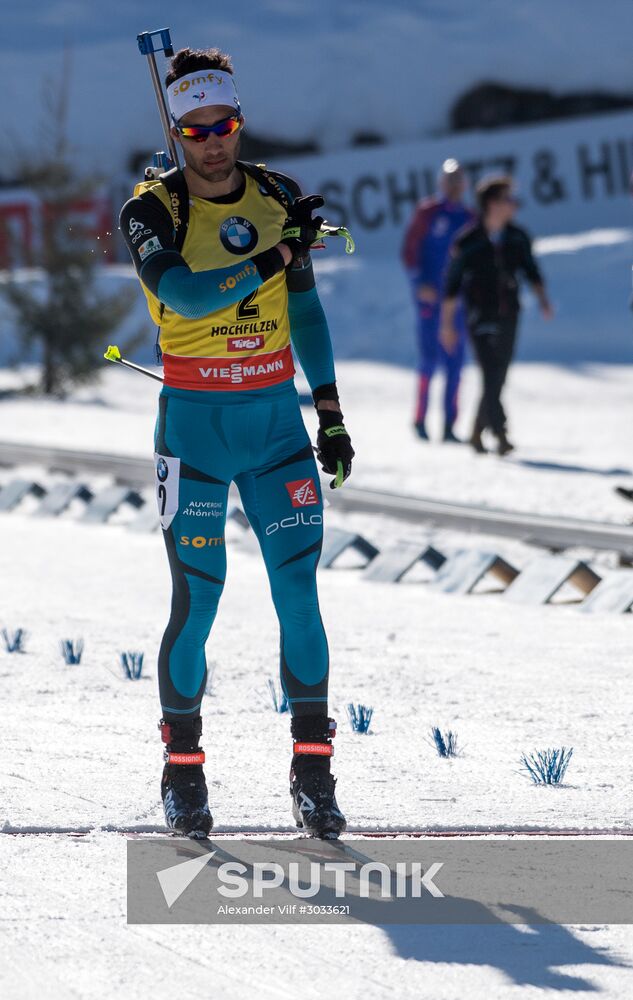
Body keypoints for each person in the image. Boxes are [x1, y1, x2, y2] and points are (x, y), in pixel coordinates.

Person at [119, 46, 354, 839]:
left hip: (273, 427)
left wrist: (329, 411)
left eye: (221, 125)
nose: (210, 140)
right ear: (178, 131)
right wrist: (273, 254)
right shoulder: (152, 209)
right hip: (193, 429)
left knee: (300, 596)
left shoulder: (280, 196)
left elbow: (307, 314)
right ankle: (182, 773)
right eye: (194, 129)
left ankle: (313, 773)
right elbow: (181, 290)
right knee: (199, 601)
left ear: (238, 121)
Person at [441, 175, 552, 455]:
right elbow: (452, 284)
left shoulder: (517, 236)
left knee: (498, 375)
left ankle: (477, 430)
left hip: (509, 312)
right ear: (492, 203)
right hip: (479, 314)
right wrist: (447, 325)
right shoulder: (468, 240)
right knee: (491, 371)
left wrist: (543, 301)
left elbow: (531, 270)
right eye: (508, 199)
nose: (513, 205)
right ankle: (500, 432)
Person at [401, 159, 474, 442]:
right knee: (429, 359)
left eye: (459, 179)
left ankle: (449, 424)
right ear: (441, 183)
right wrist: (420, 284)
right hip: (431, 300)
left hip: (456, 301)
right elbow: (410, 250)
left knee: (455, 361)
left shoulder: (469, 217)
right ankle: (420, 419)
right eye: (450, 179)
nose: (455, 185)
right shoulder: (428, 212)